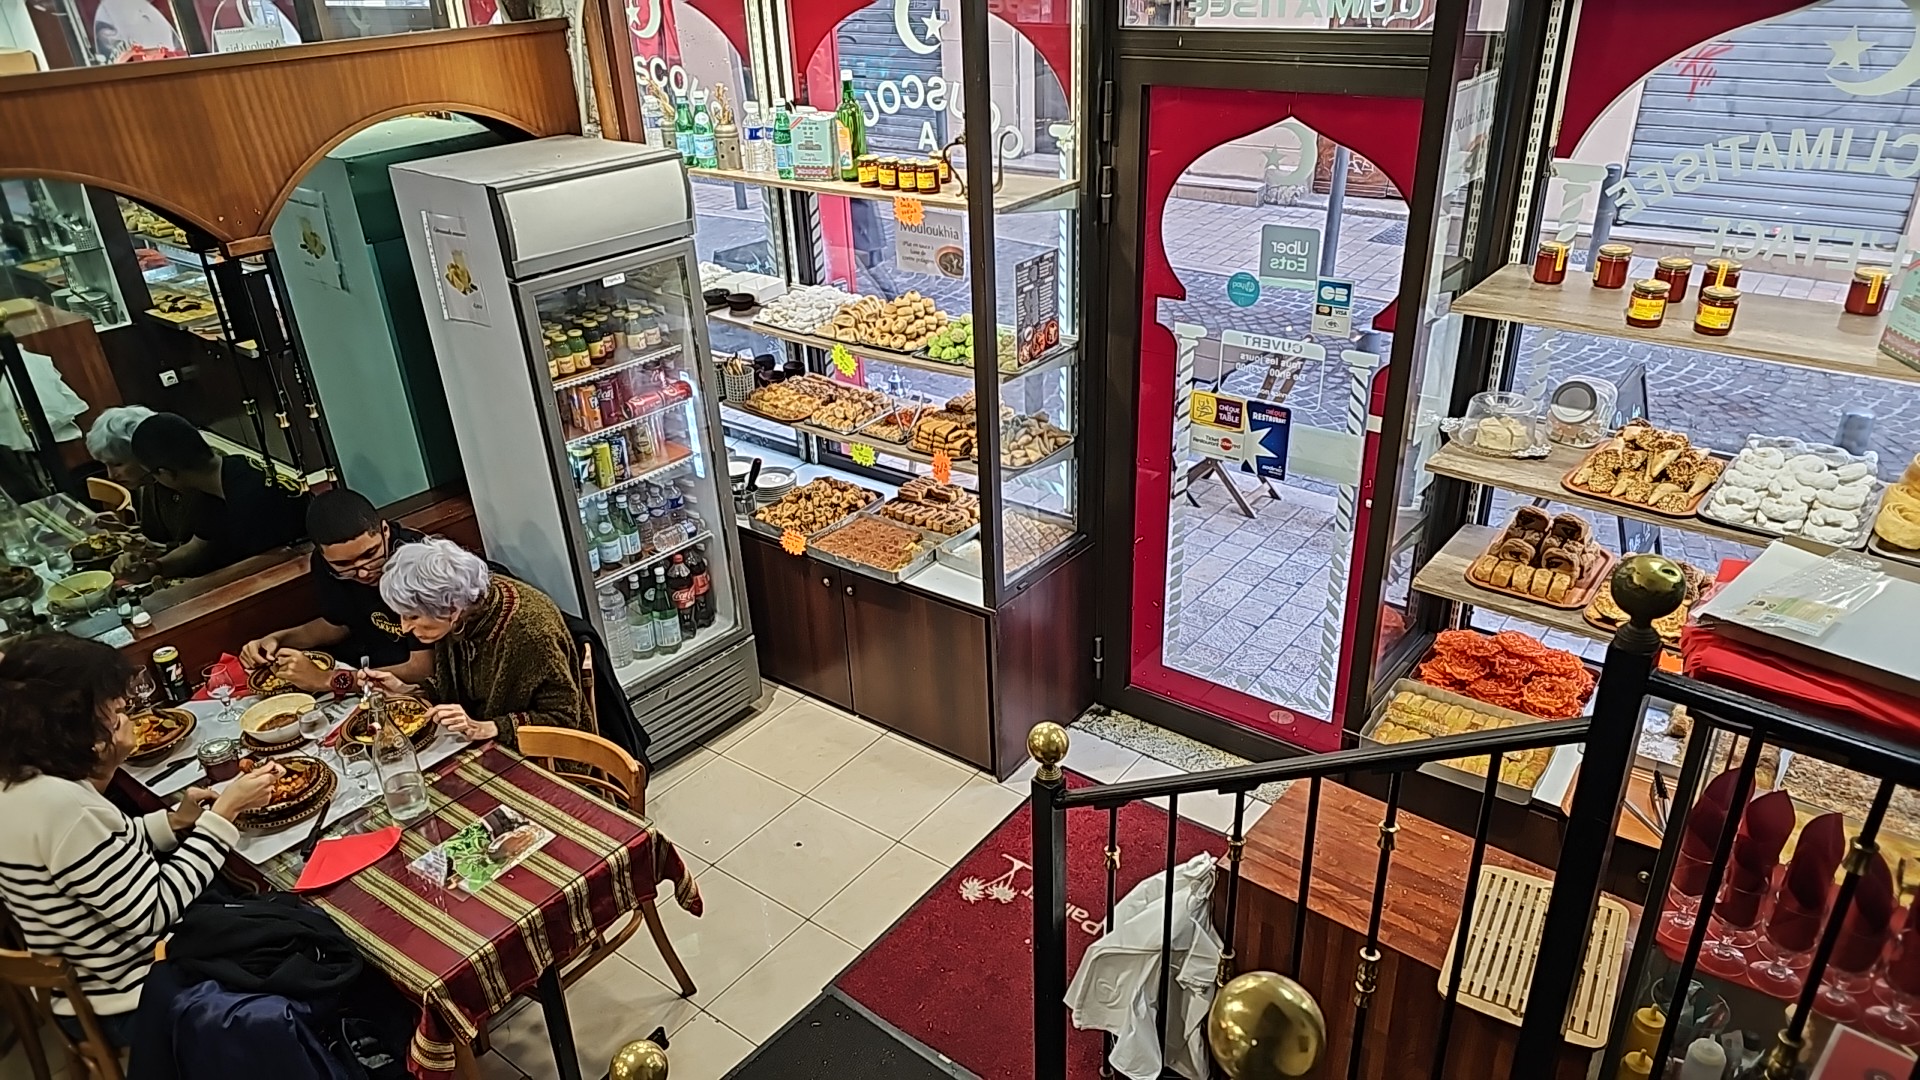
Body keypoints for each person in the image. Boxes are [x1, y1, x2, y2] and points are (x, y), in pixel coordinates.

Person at [0, 635, 281, 1046]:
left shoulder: (21, 779)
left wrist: (176, 820)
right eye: (111, 707)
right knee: (292, 939)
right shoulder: (61, 806)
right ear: (73, 723)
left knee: (253, 910)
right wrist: (223, 815)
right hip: (131, 995)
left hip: (92, 974)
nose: (122, 708)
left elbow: (107, 854)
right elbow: (155, 910)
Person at [360, 537, 591, 749]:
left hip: (543, 756)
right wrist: (408, 690)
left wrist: (489, 727)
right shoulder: (458, 611)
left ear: (452, 609)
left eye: (413, 617)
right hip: (479, 742)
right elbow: (462, 688)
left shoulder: (530, 632)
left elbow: (564, 718)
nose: (404, 628)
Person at [238, 489, 433, 695]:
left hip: (410, 684)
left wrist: (329, 680)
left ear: (385, 531)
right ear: (323, 556)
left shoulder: (419, 562)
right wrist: (278, 640)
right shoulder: (325, 565)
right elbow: (338, 625)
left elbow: (422, 668)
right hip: (364, 668)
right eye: (344, 565)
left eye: (370, 554)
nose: (363, 572)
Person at [112, 412, 308, 581]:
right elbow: (198, 547)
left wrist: (190, 590)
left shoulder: (250, 494)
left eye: (153, 476)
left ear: (166, 473)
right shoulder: (217, 481)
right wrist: (152, 569)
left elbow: (271, 561)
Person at [83, 405, 192, 548]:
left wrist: (155, 550)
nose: (111, 475)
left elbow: (204, 549)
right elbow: (161, 534)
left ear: (145, 454)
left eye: (117, 464)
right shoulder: (149, 482)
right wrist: (125, 530)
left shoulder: (188, 484)